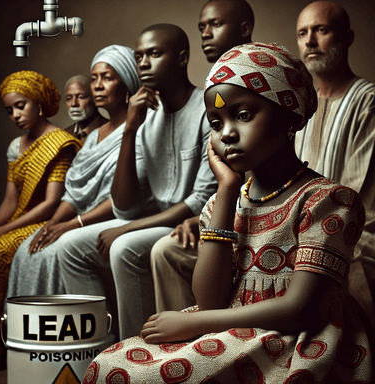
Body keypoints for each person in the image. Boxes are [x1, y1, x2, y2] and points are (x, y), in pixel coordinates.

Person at [82, 42, 375, 384]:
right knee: (106, 365)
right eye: (216, 123)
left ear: (290, 116)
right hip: (230, 327)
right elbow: (209, 300)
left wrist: (190, 323)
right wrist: (225, 191)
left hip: (297, 342)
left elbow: (299, 310)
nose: (228, 134)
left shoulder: (327, 200)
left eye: (244, 115)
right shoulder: (225, 203)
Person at [58, 24, 217, 341]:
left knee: (123, 247)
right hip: (155, 221)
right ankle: (98, 352)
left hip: (193, 222)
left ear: (183, 58)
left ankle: (134, 352)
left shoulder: (207, 109)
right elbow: (126, 205)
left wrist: (126, 228)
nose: (143, 63)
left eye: (154, 54)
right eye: (140, 56)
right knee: (69, 247)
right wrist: (130, 130)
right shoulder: (146, 119)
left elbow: (199, 200)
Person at [6, 45, 140, 301]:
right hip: (78, 216)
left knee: (55, 251)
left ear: (127, 83)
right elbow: (74, 194)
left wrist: (71, 225)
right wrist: (54, 223)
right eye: (94, 78)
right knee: (28, 248)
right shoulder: (91, 139)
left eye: (108, 78)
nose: (98, 86)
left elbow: (124, 198)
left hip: (112, 217)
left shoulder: (139, 129)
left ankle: (73, 334)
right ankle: (31, 333)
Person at [150, 0, 255, 313]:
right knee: (166, 249)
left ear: (244, 28)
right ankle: (182, 346)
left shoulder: (266, 79)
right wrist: (202, 219)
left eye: (215, 24)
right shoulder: (217, 86)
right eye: (217, 123)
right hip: (233, 204)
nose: (205, 34)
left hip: (252, 208)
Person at [0, 70, 81, 370]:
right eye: (9, 110)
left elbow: (51, 202)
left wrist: (4, 230)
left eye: (21, 105)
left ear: (39, 104)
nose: (15, 115)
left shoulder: (59, 142)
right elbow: (10, 200)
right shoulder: (16, 146)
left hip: (44, 220)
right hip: (18, 217)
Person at [295, 1, 375, 323]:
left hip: (355, 232)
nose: (310, 42)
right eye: (303, 33)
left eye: (321, 30)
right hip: (296, 227)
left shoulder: (367, 101)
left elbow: (360, 200)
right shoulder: (297, 108)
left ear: (347, 37)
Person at [64, 75, 108, 143]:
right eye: (69, 98)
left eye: (81, 97)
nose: (73, 104)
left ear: (95, 99)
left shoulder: (112, 131)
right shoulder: (65, 135)